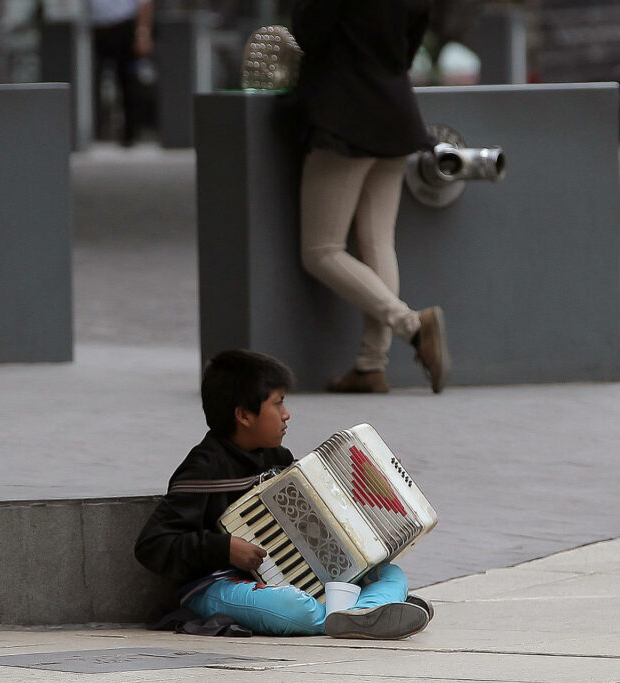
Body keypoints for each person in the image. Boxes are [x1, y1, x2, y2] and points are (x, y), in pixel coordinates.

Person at [134, 349, 432, 638]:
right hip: (217, 586)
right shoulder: (203, 468)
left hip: (294, 580)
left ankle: (363, 614)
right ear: (244, 415)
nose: (286, 414)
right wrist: (223, 548)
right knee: (293, 606)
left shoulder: (277, 457)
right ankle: (370, 612)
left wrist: (370, 487)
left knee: (390, 574)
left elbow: (321, 512)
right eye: (277, 404)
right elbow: (153, 544)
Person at [292, 0, 450, 393]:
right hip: (396, 109)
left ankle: (413, 325)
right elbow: (409, 45)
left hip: (344, 113)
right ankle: (370, 367)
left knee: (321, 250)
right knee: (377, 240)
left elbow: (309, 32)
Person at [88, 0, 153, 146]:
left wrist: (143, 32)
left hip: (122, 25)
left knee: (126, 82)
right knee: (92, 82)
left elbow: (145, 3)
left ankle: (129, 133)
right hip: (95, 28)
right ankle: (95, 131)